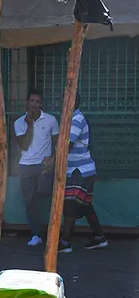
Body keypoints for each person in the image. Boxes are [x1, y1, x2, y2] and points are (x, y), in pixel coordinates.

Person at [59, 97, 108, 253]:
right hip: (82, 170)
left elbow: (67, 145)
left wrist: (55, 160)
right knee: (86, 206)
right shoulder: (71, 118)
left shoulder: (76, 119)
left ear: (73, 102)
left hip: (79, 171)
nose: (63, 103)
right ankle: (100, 238)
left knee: (71, 205)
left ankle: (65, 242)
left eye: (65, 100)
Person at [14, 89, 59, 247]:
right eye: (31, 101)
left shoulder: (51, 120)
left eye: (37, 101)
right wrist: (30, 126)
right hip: (25, 166)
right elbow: (24, 146)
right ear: (27, 102)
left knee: (44, 193)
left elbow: (57, 143)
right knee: (30, 201)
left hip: (43, 166)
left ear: (41, 104)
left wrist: (53, 158)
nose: (34, 104)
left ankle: (49, 231)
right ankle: (36, 235)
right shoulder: (19, 122)